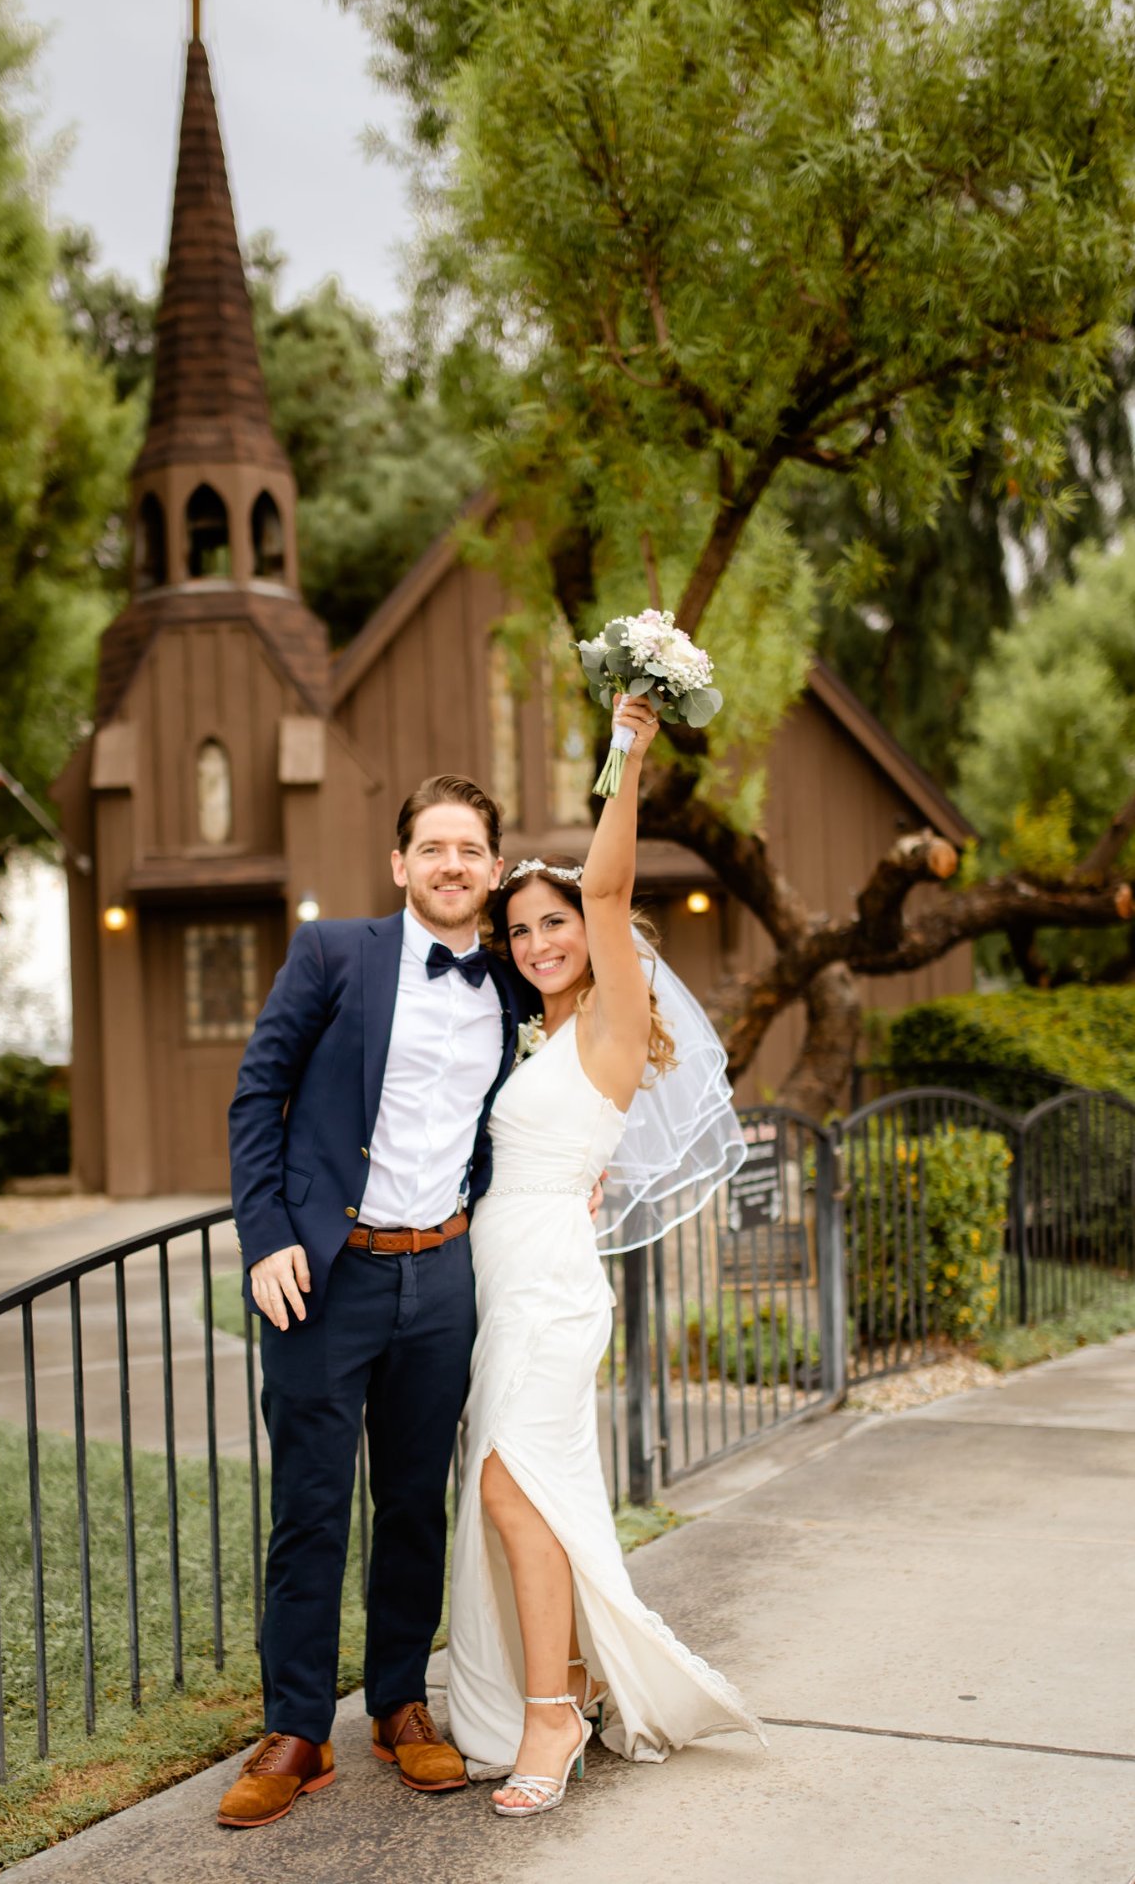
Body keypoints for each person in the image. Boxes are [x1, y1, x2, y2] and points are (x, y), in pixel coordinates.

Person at [445, 694, 765, 1818]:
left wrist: (627, 749)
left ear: (595, 929)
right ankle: (567, 1678)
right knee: (521, 1490)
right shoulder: (542, 1033)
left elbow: (615, 885)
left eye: (555, 922)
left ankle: (553, 1713)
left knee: (510, 1485)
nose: (537, 941)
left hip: (551, 1291)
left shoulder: (612, 1016)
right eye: (520, 928)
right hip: (508, 1273)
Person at [218, 773, 532, 1829]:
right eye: (433, 846)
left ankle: (400, 1699)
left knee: (413, 1502)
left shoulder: (512, 981)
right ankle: (296, 1729)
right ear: (401, 864)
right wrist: (265, 1237)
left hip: (443, 1275)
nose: (452, 864)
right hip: (324, 1273)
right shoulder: (334, 954)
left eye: (470, 848)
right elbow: (257, 1092)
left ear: (493, 869)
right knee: (308, 1506)